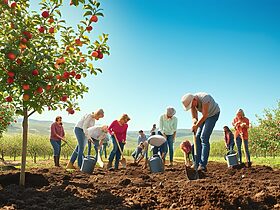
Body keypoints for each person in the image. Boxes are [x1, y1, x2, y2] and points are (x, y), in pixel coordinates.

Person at [181, 92, 220, 172]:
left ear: (194, 100)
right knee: (197, 137)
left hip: (213, 114)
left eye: (192, 105)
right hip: (205, 116)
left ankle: (202, 165)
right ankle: (196, 163)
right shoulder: (192, 104)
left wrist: (196, 126)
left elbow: (205, 115)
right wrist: (194, 122)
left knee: (204, 137)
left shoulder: (205, 98)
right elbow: (194, 117)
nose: (192, 107)